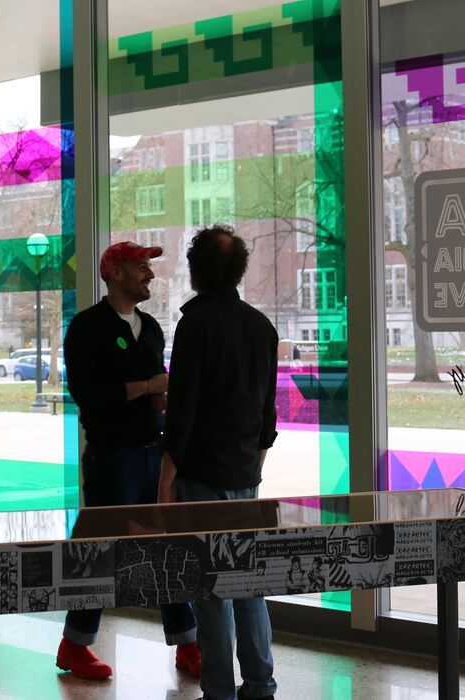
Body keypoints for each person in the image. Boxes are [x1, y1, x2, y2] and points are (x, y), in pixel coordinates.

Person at [55, 240, 201, 681]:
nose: (150, 274)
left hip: (151, 454)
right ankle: (75, 646)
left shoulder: (152, 328)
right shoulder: (87, 328)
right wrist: (145, 386)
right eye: (141, 266)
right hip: (110, 459)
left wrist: (160, 398)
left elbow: (151, 390)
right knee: (99, 554)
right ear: (114, 272)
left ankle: (188, 644)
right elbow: (87, 395)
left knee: (167, 549)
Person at [159, 225, 279, 700]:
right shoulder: (261, 326)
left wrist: (166, 481)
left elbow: (182, 414)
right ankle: (260, 684)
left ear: (196, 271)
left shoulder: (195, 325)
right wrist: (254, 467)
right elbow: (268, 415)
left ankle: (219, 692)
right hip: (244, 476)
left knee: (209, 590)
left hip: (201, 476)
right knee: (249, 585)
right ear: (239, 271)